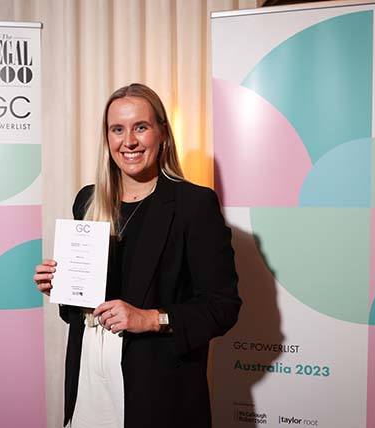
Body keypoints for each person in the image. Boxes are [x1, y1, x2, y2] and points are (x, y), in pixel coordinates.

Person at [34, 83, 241, 428]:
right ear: (107, 138)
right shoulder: (88, 200)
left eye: (140, 127)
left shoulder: (193, 205)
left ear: (162, 133)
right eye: (117, 129)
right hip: (88, 377)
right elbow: (79, 311)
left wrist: (150, 319)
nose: (128, 141)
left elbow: (223, 307)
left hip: (156, 389)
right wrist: (61, 286)